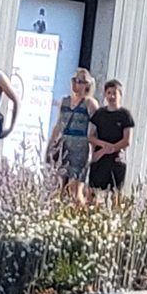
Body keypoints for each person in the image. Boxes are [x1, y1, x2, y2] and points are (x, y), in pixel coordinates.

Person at [46, 69, 96, 204]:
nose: (76, 84)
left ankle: (79, 211)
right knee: (58, 186)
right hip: (64, 146)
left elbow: (95, 128)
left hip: (80, 148)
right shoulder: (65, 101)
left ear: (87, 85)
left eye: (80, 81)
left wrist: (94, 152)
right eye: (74, 80)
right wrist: (50, 145)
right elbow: (58, 125)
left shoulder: (90, 103)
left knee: (75, 189)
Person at [87, 80, 134, 199]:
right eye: (109, 93)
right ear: (105, 95)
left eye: (114, 93)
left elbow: (127, 140)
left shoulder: (125, 115)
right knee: (93, 192)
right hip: (100, 158)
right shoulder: (99, 114)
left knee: (115, 195)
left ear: (120, 95)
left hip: (117, 159)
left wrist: (112, 148)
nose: (111, 96)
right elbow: (91, 136)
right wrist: (103, 146)